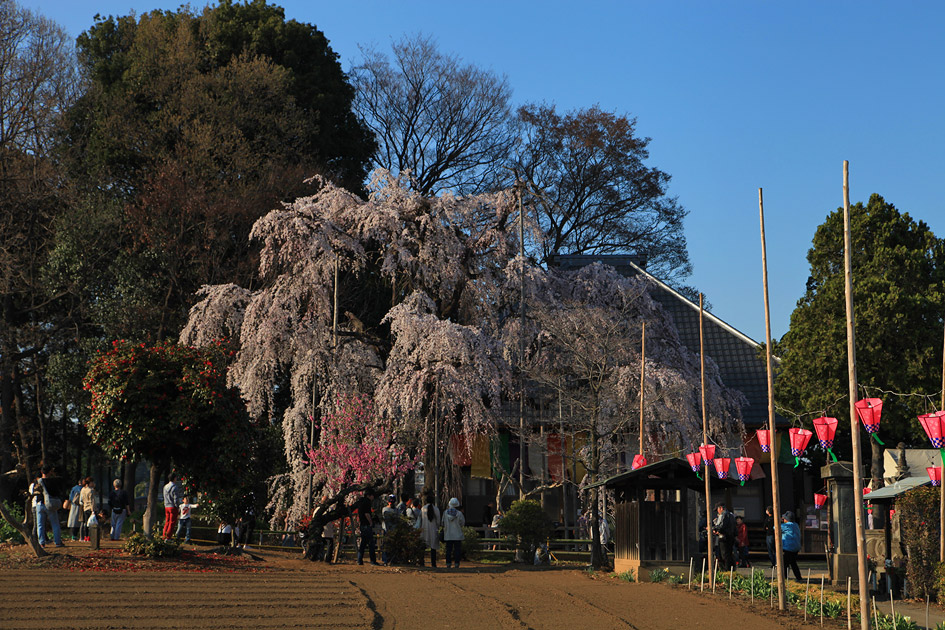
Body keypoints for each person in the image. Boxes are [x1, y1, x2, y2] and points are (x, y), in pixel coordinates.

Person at [37, 467, 65, 547]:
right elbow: (57, 492)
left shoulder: (38, 481)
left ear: (41, 472)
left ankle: (41, 542)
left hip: (39, 503)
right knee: (55, 524)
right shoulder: (53, 481)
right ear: (50, 472)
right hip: (49, 504)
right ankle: (57, 542)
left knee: (40, 524)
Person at [354, 488, 379, 566]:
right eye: (372, 496)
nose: (373, 497)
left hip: (362, 524)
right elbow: (367, 513)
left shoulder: (361, 501)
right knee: (371, 543)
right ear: (369, 495)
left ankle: (359, 560)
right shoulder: (367, 502)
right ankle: (373, 561)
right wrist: (370, 522)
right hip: (366, 525)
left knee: (363, 543)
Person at [711, 502, 736, 569]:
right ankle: (731, 569)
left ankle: (726, 569)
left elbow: (721, 526)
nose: (718, 512)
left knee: (724, 555)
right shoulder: (731, 515)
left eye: (717, 509)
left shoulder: (724, 515)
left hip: (724, 537)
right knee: (729, 554)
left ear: (721, 508)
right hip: (731, 537)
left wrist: (714, 529)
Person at [419, 491, 441, 568]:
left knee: (423, 546)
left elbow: (421, 519)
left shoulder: (423, 509)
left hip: (424, 529)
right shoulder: (436, 509)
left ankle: (422, 562)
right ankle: (433, 564)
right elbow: (438, 521)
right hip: (433, 530)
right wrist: (437, 527)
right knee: (433, 548)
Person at [443, 497, 465, 569]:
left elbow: (442, 522)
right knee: (457, 550)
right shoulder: (459, 513)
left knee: (448, 550)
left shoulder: (445, 513)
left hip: (448, 535)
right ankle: (456, 564)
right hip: (457, 535)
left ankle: (448, 564)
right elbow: (462, 523)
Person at [780, 511, 803, 580]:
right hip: (796, 547)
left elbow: (775, 527)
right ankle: (798, 577)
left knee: (785, 563)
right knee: (793, 562)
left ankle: (784, 578)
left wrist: (779, 522)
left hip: (788, 547)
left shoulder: (786, 526)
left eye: (784, 519)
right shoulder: (796, 525)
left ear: (786, 519)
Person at [381, 495, 400, 564]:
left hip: (394, 530)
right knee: (386, 545)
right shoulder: (385, 509)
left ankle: (393, 559)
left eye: (392, 502)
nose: (391, 503)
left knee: (393, 545)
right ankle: (385, 560)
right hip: (386, 530)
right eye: (390, 502)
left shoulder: (396, 510)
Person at [162, 473, 182, 538]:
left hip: (166, 506)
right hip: (172, 506)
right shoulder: (175, 487)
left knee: (167, 521)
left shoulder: (165, 487)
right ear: (174, 478)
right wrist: (178, 507)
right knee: (172, 522)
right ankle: (168, 537)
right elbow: (176, 499)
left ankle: (164, 536)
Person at [79, 477, 97, 542]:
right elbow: (92, 501)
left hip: (85, 508)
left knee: (86, 523)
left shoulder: (82, 490)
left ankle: (85, 537)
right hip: (90, 508)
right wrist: (93, 510)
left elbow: (81, 500)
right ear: (90, 483)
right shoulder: (91, 490)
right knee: (92, 523)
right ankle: (90, 536)